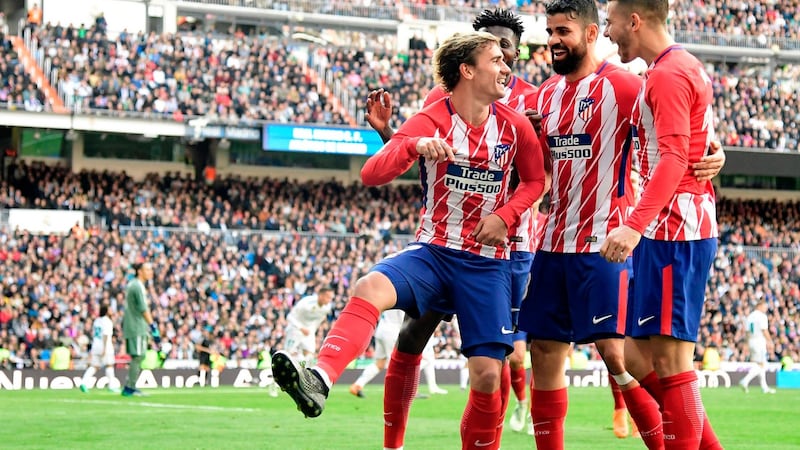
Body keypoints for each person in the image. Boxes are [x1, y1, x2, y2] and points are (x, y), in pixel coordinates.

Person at [273, 31, 546, 450]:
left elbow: (534, 181)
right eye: (496, 59)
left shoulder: (514, 124)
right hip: (433, 253)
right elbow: (372, 173)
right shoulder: (431, 117)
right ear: (467, 70)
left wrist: (504, 216)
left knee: (489, 375)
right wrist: (413, 143)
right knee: (370, 287)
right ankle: (320, 379)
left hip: (486, 262)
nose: (506, 66)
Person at [365, 10, 544, 446]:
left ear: (517, 51)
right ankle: (393, 440)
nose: (499, 51)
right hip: (446, 241)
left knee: (498, 358)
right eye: (490, 44)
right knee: (413, 333)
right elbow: (421, 151)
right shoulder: (445, 94)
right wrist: (389, 134)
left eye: (505, 45)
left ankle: (498, 427)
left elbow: (542, 174)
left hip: (511, 245)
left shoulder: (535, 101)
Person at [516, 2, 667, 448]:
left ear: (590, 33)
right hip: (552, 244)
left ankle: (679, 434)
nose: (554, 40)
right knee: (544, 351)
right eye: (550, 31)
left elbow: (675, 138)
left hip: (606, 244)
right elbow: (542, 172)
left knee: (618, 355)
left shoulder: (624, 86)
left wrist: (715, 152)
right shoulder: (544, 97)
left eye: (563, 31)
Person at [602, 1, 725, 448]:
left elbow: (674, 158)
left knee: (673, 365)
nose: (607, 32)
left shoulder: (670, 74)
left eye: (611, 22)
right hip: (664, 229)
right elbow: (691, 143)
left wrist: (633, 225)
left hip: (677, 229)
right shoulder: (672, 67)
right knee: (636, 356)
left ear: (634, 21)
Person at [122, 262, 159, 397]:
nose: (150, 272)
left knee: (138, 356)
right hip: (136, 326)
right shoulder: (137, 286)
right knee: (138, 356)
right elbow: (143, 308)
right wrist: (153, 326)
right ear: (140, 272)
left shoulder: (134, 285)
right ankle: (130, 387)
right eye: (147, 270)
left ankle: (130, 385)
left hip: (134, 325)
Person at [350, 309, 405, 398]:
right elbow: (403, 319)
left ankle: (357, 385)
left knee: (379, 363)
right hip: (392, 332)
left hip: (381, 330)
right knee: (397, 363)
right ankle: (399, 391)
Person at [282, 286, 335, 365]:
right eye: (328, 297)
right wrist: (301, 328)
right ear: (321, 295)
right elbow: (290, 316)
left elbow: (318, 320)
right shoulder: (306, 302)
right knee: (288, 353)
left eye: (331, 298)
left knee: (310, 354)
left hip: (309, 330)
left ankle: (303, 370)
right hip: (295, 328)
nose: (330, 300)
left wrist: (312, 330)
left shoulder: (327, 307)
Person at [79, 304, 119, 393]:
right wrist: (104, 348)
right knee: (109, 365)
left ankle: (83, 383)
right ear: (106, 311)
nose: (111, 311)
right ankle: (112, 386)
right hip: (105, 346)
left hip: (95, 346)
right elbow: (105, 335)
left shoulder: (97, 320)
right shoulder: (107, 321)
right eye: (110, 309)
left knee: (95, 366)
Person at [739, 301, 776, 394]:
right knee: (762, 365)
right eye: (764, 307)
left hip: (751, 341)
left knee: (760, 364)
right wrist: (770, 341)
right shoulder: (762, 316)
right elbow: (764, 330)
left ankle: (764, 387)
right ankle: (745, 380)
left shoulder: (750, 316)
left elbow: (747, 332)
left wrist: (747, 344)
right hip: (759, 341)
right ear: (759, 306)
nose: (765, 309)